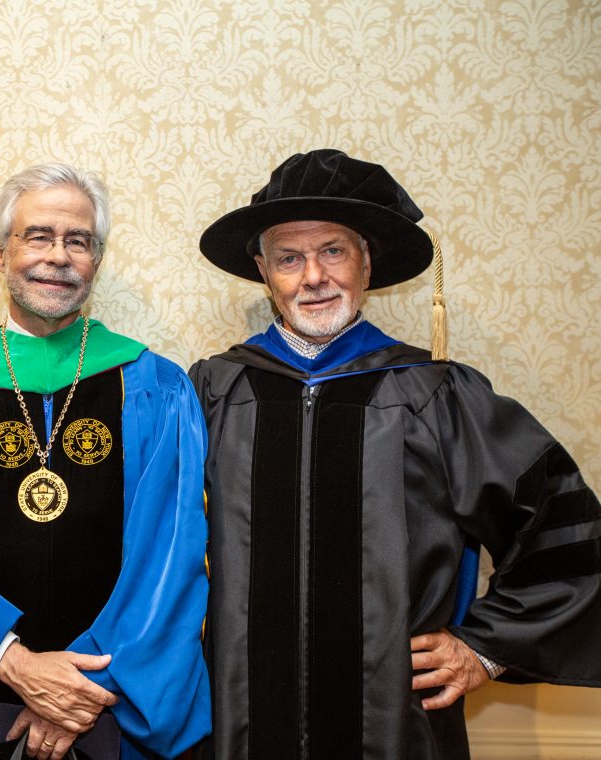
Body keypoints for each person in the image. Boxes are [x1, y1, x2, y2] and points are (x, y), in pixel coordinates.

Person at [190, 148, 601, 760]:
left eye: (333, 251)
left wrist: (484, 646)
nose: (313, 277)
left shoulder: (435, 394)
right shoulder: (213, 390)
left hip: (395, 726)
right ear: (262, 270)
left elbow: (563, 535)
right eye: (289, 258)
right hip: (239, 722)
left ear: (366, 261)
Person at [0, 163, 211, 759]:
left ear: (97, 261)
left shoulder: (158, 389)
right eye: (38, 236)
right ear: (0, 253)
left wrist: (79, 691)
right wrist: (15, 665)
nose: (58, 256)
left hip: (115, 707)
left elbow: (170, 560)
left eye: (78, 241)